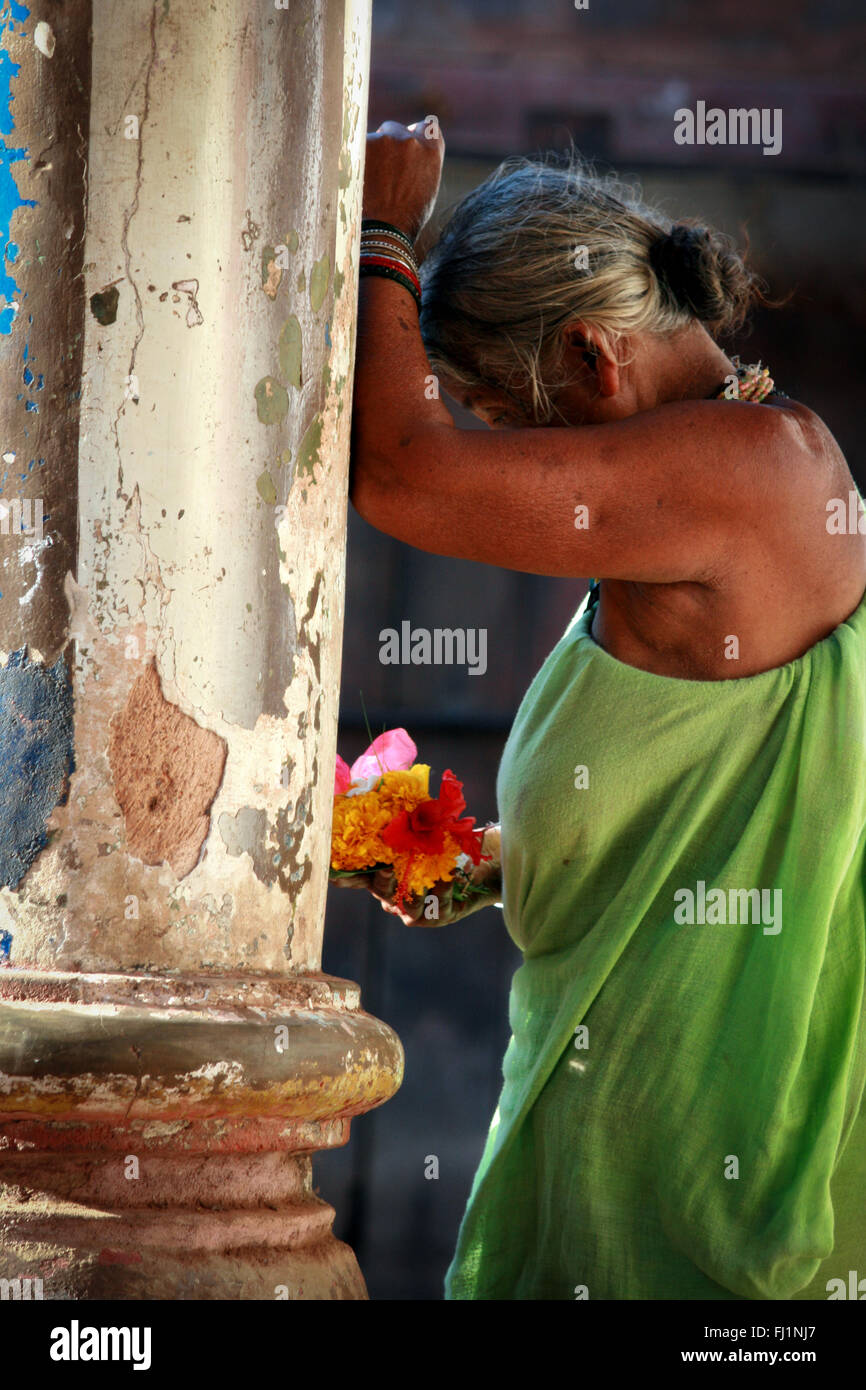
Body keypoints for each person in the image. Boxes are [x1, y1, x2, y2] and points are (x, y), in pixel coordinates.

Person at [345, 118, 866, 1299]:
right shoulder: (723, 477)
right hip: (614, 1136)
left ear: (588, 358)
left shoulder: (754, 472)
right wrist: (482, 864)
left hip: (684, 1175)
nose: (504, 465)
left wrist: (381, 232)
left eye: (495, 417)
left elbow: (400, 472)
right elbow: (680, 804)